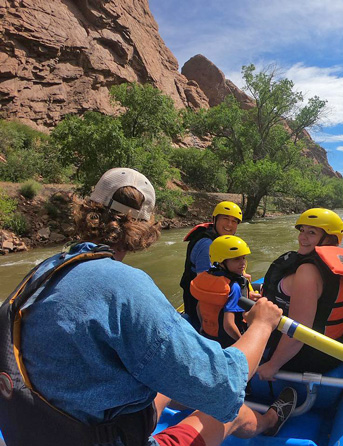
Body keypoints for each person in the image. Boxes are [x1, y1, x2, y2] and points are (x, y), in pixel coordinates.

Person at [0, 168, 296, 446]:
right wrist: (262, 324)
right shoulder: (126, 286)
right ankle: (269, 420)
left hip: (41, 428)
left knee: (165, 381)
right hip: (100, 435)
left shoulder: (43, 272)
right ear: (143, 226)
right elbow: (223, 385)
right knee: (225, 412)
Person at [258, 208, 343, 380]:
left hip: (307, 356)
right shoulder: (339, 264)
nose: (302, 237)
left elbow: (299, 331)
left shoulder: (307, 271)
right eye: (302, 231)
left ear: (330, 238)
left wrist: (272, 365)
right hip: (330, 347)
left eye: (312, 233)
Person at [180, 200, 255, 328]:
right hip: (201, 306)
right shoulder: (207, 245)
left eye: (234, 221)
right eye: (225, 219)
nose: (229, 225)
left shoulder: (219, 240)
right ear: (214, 219)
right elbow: (206, 286)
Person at [190, 235, 251, 348]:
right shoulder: (233, 286)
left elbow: (199, 307)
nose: (243, 263)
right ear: (221, 261)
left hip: (208, 335)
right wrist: (243, 343)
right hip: (228, 341)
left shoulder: (205, 277)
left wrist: (203, 327)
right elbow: (228, 325)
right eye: (236, 259)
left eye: (244, 257)